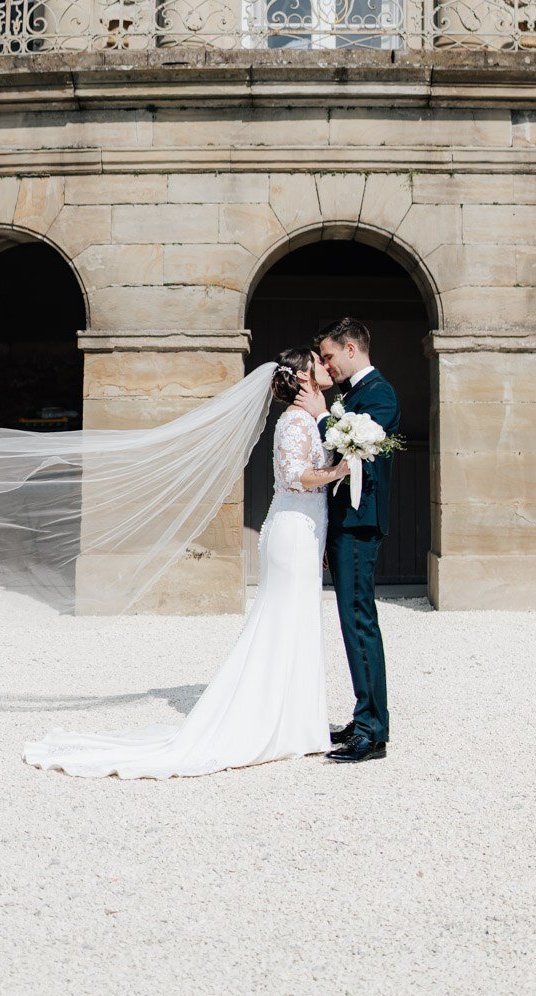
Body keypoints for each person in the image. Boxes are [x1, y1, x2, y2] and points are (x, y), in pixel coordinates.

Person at [21, 347, 350, 779]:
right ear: (304, 377)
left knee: (299, 621)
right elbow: (296, 476)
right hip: (292, 531)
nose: (327, 367)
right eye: (318, 362)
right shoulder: (293, 421)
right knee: (283, 621)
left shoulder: (311, 418)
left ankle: (296, 722)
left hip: (307, 528)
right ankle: (273, 721)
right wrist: (342, 468)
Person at [296, 316, 400, 765]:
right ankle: (363, 719)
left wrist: (321, 417)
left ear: (352, 349)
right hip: (344, 523)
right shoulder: (353, 396)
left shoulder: (380, 394)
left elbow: (355, 449)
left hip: (359, 526)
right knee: (351, 624)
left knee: (359, 624)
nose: (325, 364)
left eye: (329, 356)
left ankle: (373, 732)